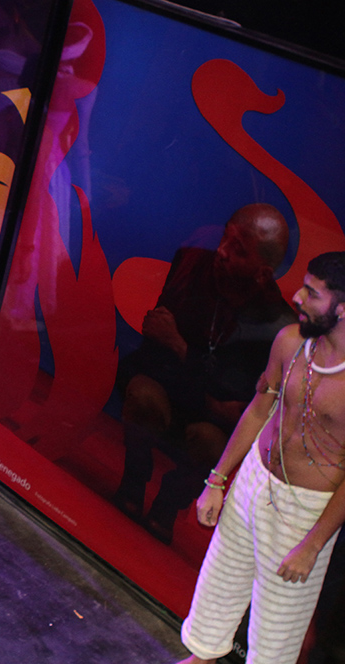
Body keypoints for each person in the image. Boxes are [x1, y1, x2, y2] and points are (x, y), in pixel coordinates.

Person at [176, 251, 345, 664]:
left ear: (342, 308)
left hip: (305, 510)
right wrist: (217, 480)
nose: (297, 297)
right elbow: (257, 410)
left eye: (312, 293)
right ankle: (201, 659)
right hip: (254, 480)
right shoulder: (290, 341)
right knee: (218, 584)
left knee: (277, 626)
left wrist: (312, 545)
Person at [115, 204, 296, 543]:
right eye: (225, 238)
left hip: (207, 420)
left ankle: (168, 504)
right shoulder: (191, 264)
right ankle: (134, 479)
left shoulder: (275, 324)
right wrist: (209, 391)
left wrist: (181, 348)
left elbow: (238, 399)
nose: (222, 251)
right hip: (170, 391)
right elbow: (155, 344)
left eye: (238, 250)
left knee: (213, 444)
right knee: (143, 394)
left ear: (262, 273)